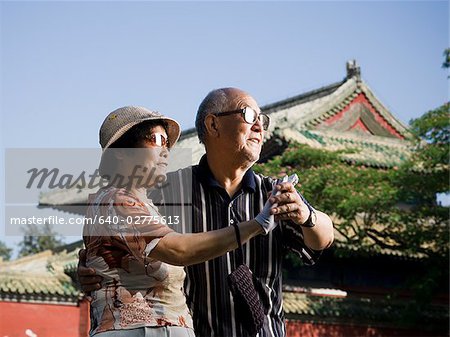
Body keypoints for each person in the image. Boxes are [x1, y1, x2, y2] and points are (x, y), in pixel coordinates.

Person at [79, 89, 334, 337]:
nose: (259, 126)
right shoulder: (165, 193)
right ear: (212, 125)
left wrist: (307, 216)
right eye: (248, 115)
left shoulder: (274, 192)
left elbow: (322, 240)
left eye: (262, 119)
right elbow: (158, 246)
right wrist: (94, 265)